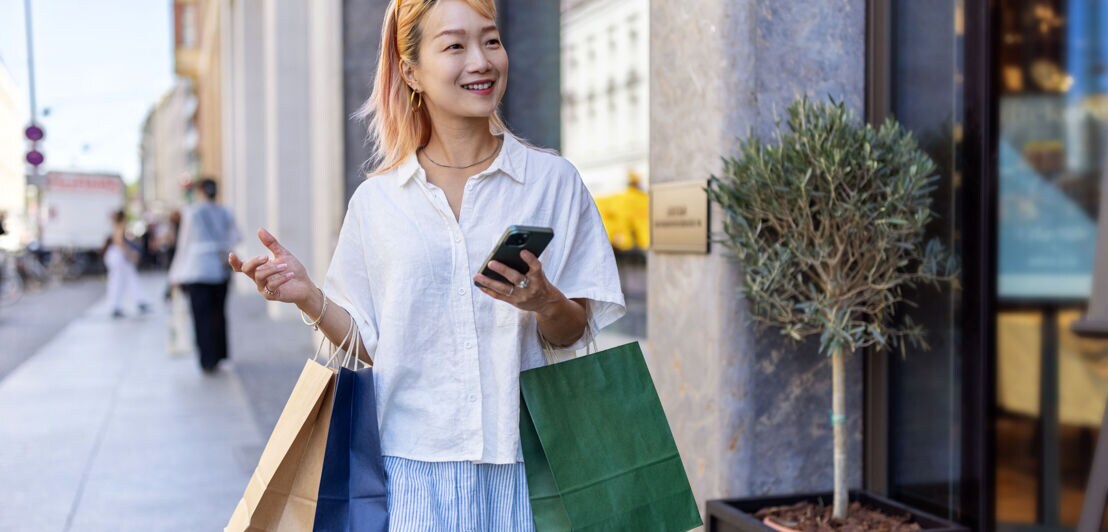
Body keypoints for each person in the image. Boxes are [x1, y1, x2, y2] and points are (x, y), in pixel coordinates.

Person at [230, 0, 625, 529]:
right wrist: (307, 295)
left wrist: (545, 301)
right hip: (409, 469)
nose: (482, 61)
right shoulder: (378, 201)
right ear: (411, 71)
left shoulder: (553, 182)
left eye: (491, 40)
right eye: (455, 46)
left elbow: (574, 331)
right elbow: (373, 344)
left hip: (531, 466)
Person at [170, 178, 241, 373]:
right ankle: (220, 355)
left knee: (201, 316)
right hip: (219, 269)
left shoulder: (192, 212)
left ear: (201, 192)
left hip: (196, 270)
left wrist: (174, 275)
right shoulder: (225, 211)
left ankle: (206, 359)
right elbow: (236, 237)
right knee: (218, 314)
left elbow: (183, 245)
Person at [103, 210, 150, 319]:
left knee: (128, 278)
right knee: (119, 281)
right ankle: (116, 306)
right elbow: (119, 243)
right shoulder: (119, 227)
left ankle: (138, 301)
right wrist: (130, 253)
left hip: (118, 256)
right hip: (118, 256)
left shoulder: (117, 226)